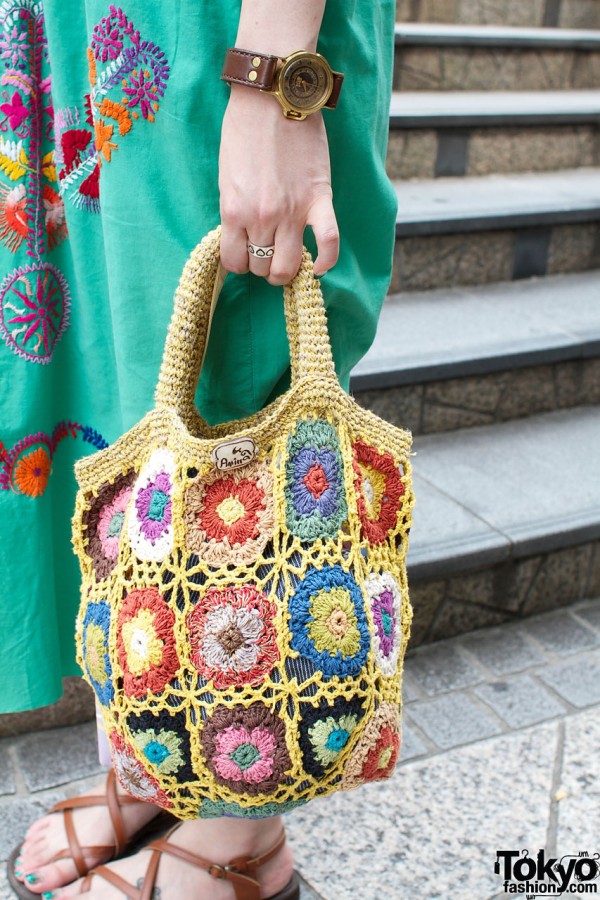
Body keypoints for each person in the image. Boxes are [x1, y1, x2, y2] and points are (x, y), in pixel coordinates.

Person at [3, 0, 398, 897]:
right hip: (82, 37)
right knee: (125, 387)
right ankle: (156, 767)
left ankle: (238, 839)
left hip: (232, 33)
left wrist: (274, 78)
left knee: (238, 380)